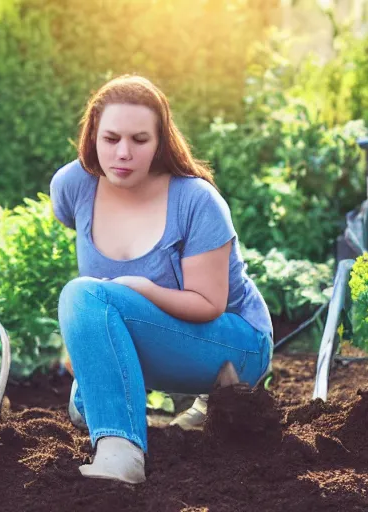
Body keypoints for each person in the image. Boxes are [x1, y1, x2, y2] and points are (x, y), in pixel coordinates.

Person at [49, 75, 273, 484]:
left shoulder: (195, 200)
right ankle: (163, 409)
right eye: (111, 138)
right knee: (83, 405)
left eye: (139, 140)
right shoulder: (74, 186)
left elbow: (209, 304)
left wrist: (142, 289)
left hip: (232, 342)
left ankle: (121, 453)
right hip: (160, 334)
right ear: (92, 135)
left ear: (160, 142)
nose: (123, 153)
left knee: (81, 298)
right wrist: (92, 326)